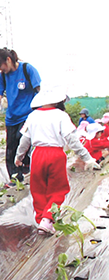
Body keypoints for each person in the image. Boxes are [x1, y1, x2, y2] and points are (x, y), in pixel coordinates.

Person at [14, 86, 99, 235]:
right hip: (56, 154)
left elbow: (25, 140)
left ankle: (41, 219)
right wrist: (87, 158)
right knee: (58, 189)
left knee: (38, 188)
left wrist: (19, 157)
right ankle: (48, 219)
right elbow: (72, 140)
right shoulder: (61, 116)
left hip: (37, 154)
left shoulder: (33, 116)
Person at [0, 48, 41, 188]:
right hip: (12, 118)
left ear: (8, 60)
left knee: (23, 141)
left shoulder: (27, 69)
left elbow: (39, 90)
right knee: (10, 149)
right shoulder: (3, 77)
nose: (0, 69)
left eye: (1, 65)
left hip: (28, 115)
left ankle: (27, 168)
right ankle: (15, 178)